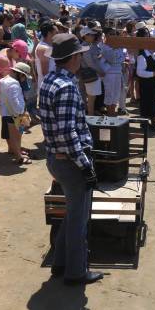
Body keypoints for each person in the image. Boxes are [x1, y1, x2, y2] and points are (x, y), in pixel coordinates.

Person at [38, 33, 103, 286]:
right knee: (79, 219)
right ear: (74, 57)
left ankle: (61, 262)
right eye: (80, 54)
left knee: (72, 214)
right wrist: (86, 167)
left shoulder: (50, 81)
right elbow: (68, 133)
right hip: (70, 160)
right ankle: (76, 272)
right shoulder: (65, 87)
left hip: (58, 158)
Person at [0, 62, 32, 164]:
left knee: (12, 135)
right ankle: (19, 156)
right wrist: (21, 112)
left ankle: (14, 150)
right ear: (20, 74)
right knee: (16, 135)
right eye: (24, 77)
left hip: (7, 112)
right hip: (15, 114)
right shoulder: (14, 84)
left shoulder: (6, 80)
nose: (24, 79)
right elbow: (14, 101)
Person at [134, 23, 155, 132]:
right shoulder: (143, 56)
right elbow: (139, 72)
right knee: (146, 103)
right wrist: (153, 74)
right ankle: (145, 123)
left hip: (154, 83)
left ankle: (153, 122)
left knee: (153, 103)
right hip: (146, 84)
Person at [80, 27, 106, 115]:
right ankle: (90, 118)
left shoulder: (88, 45)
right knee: (91, 98)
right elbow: (90, 63)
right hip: (91, 74)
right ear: (85, 36)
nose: (93, 36)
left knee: (92, 98)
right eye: (91, 34)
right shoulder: (85, 46)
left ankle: (91, 117)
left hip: (93, 74)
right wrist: (100, 71)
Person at [101, 27, 126, 116]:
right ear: (106, 35)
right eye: (111, 34)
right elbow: (110, 59)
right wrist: (114, 49)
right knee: (109, 93)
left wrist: (118, 48)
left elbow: (122, 58)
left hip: (118, 72)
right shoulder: (104, 46)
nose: (113, 35)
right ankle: (109, 113)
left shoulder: (119, 46)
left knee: (116, 93)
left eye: (114, 33)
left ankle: (113, 112)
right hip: (109, 73)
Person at [34, 22, 57, 88]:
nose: (58, 35)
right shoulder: (44, 48)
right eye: (56, 33)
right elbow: (45, 72)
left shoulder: (48, 46)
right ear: (49, 33)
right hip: (48, 86)